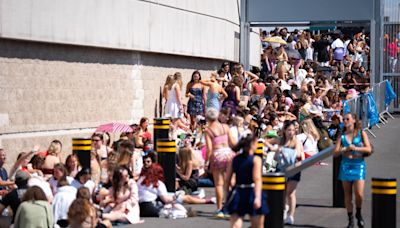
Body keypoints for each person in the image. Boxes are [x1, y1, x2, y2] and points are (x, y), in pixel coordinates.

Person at [333, 113, 371, 228]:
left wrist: (356, 148)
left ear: (354, 120)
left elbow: (368, 148)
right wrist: (345, 148)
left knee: (359, 194)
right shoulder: (342, 136)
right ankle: (350, 220)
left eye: (347, 119)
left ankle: (358, 213)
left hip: (358, 165)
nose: (345, 121)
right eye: (343, 119)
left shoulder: (361, 133)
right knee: (347, 194)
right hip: (345, 165)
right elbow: (335, 153)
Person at [225, 134, 268, 228]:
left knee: (235, 224)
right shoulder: (256, 160)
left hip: (238, 191)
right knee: (257, 225)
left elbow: (227, 179)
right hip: (252, 191)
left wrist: (227, 195)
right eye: (256, 143)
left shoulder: (235, 159)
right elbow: (257, 179)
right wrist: (257, 197)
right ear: (252, 145)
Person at [271, 120, 304, 225]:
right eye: (289, 130)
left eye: (293, 130)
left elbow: (299, 154)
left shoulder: (296, 141)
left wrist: (283, 151)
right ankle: (284, 209)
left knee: (290, 193)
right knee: (282, 192)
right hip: (281, 168)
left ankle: (291, 215)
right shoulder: (280, 140)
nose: (291, 132)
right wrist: (273, 149)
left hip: (293, 169)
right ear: (284, 130)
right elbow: (266, 141)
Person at [204, 108, 236, 217]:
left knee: (219, 183)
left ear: (207, 118)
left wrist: (206, 162)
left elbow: (209, 148)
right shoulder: (225, 127)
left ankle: (219, 208)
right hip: (228, 154)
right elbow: (232, 143)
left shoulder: (208, 131)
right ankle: (232, 205)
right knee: (231, 182)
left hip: (217, 155)